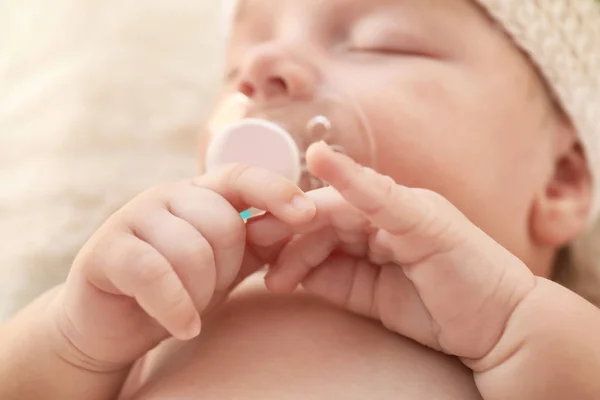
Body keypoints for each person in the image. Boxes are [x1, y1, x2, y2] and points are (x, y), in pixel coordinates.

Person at [1, 0, 600, 398]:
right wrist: (75, 342)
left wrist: (514, 324)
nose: (260, 69)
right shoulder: (170, 313)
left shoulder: (546, 339)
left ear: (562, 179)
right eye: (235, 65)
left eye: (378, 43)